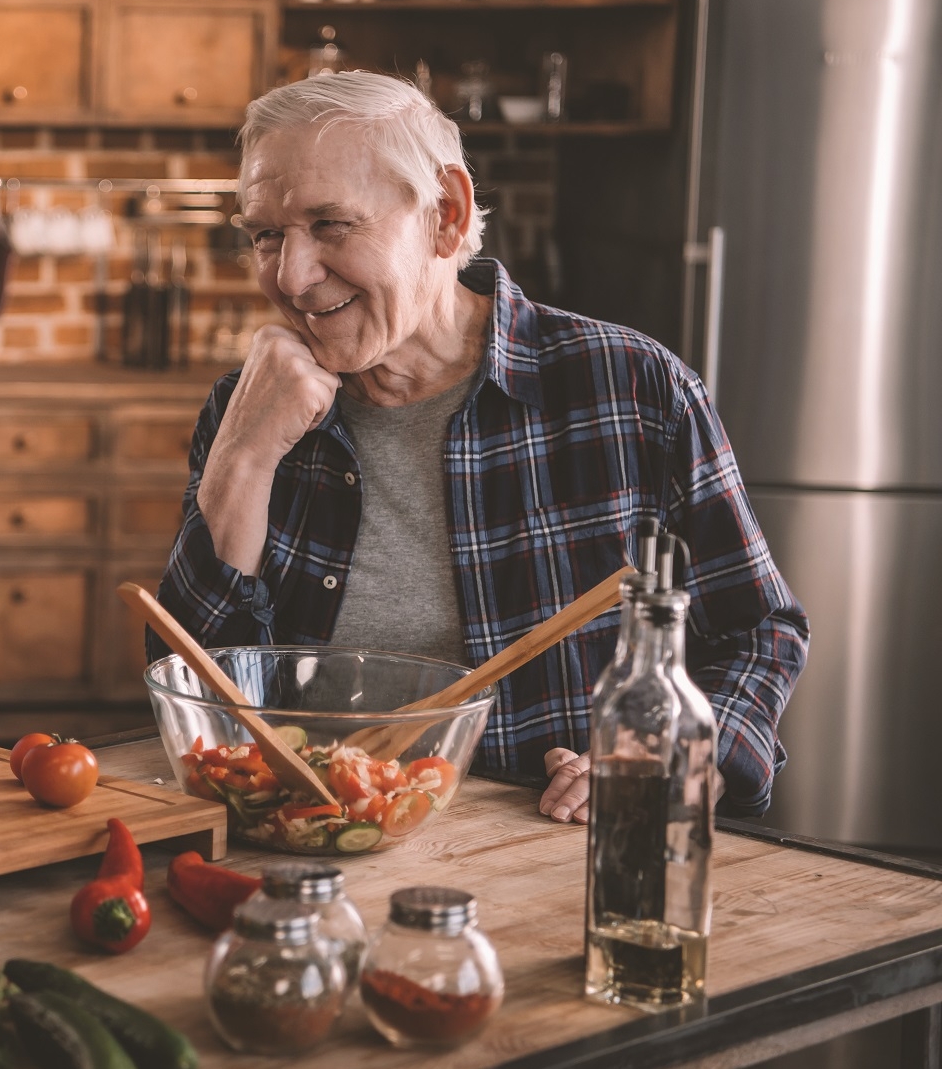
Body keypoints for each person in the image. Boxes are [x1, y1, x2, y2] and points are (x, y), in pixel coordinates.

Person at [152, 72, 807, 820]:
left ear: (446, 216)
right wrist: (244, 455)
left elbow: (761, 630)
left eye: (331, 225)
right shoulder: (247, 410)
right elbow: (193, 693)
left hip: (555, 852)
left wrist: (684, 756)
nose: (291, 277)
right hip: (311, 842)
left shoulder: (630, 390)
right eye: (266, 235)